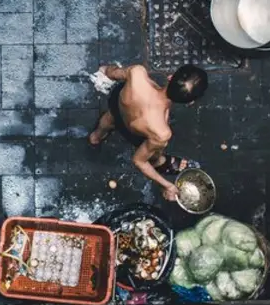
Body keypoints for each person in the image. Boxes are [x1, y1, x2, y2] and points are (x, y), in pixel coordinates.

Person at [88, 63, 208, 202]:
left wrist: (107, 69)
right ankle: (159, 161)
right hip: (133, 131)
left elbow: (113, 73)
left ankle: (95, 137)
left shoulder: (137, 73)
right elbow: (139, 161)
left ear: (170, 77)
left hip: (117, 105)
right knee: (156, 148)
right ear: (190, 102)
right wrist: (167, 185)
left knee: (110, 118)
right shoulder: (161, 131)